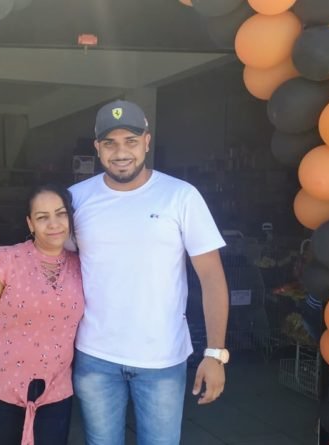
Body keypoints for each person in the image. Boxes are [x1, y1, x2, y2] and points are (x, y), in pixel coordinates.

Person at [69, 100, 230, 445]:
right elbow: (52, 266)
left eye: (130, 141)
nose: (120, 152)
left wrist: (215, 353)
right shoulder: (76, 199)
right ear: (97, 147)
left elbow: (212, 278)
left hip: (162, 358)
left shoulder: (181, 196)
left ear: (146, 141)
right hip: (95, 356)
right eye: (110, 143)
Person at [0, 184, 84, 445]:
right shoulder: (6, 261)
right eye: (42, 217)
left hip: (56, 393)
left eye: (61, 214)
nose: (54, 224)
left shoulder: (82, 266)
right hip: (1, 391)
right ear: (30, 223)